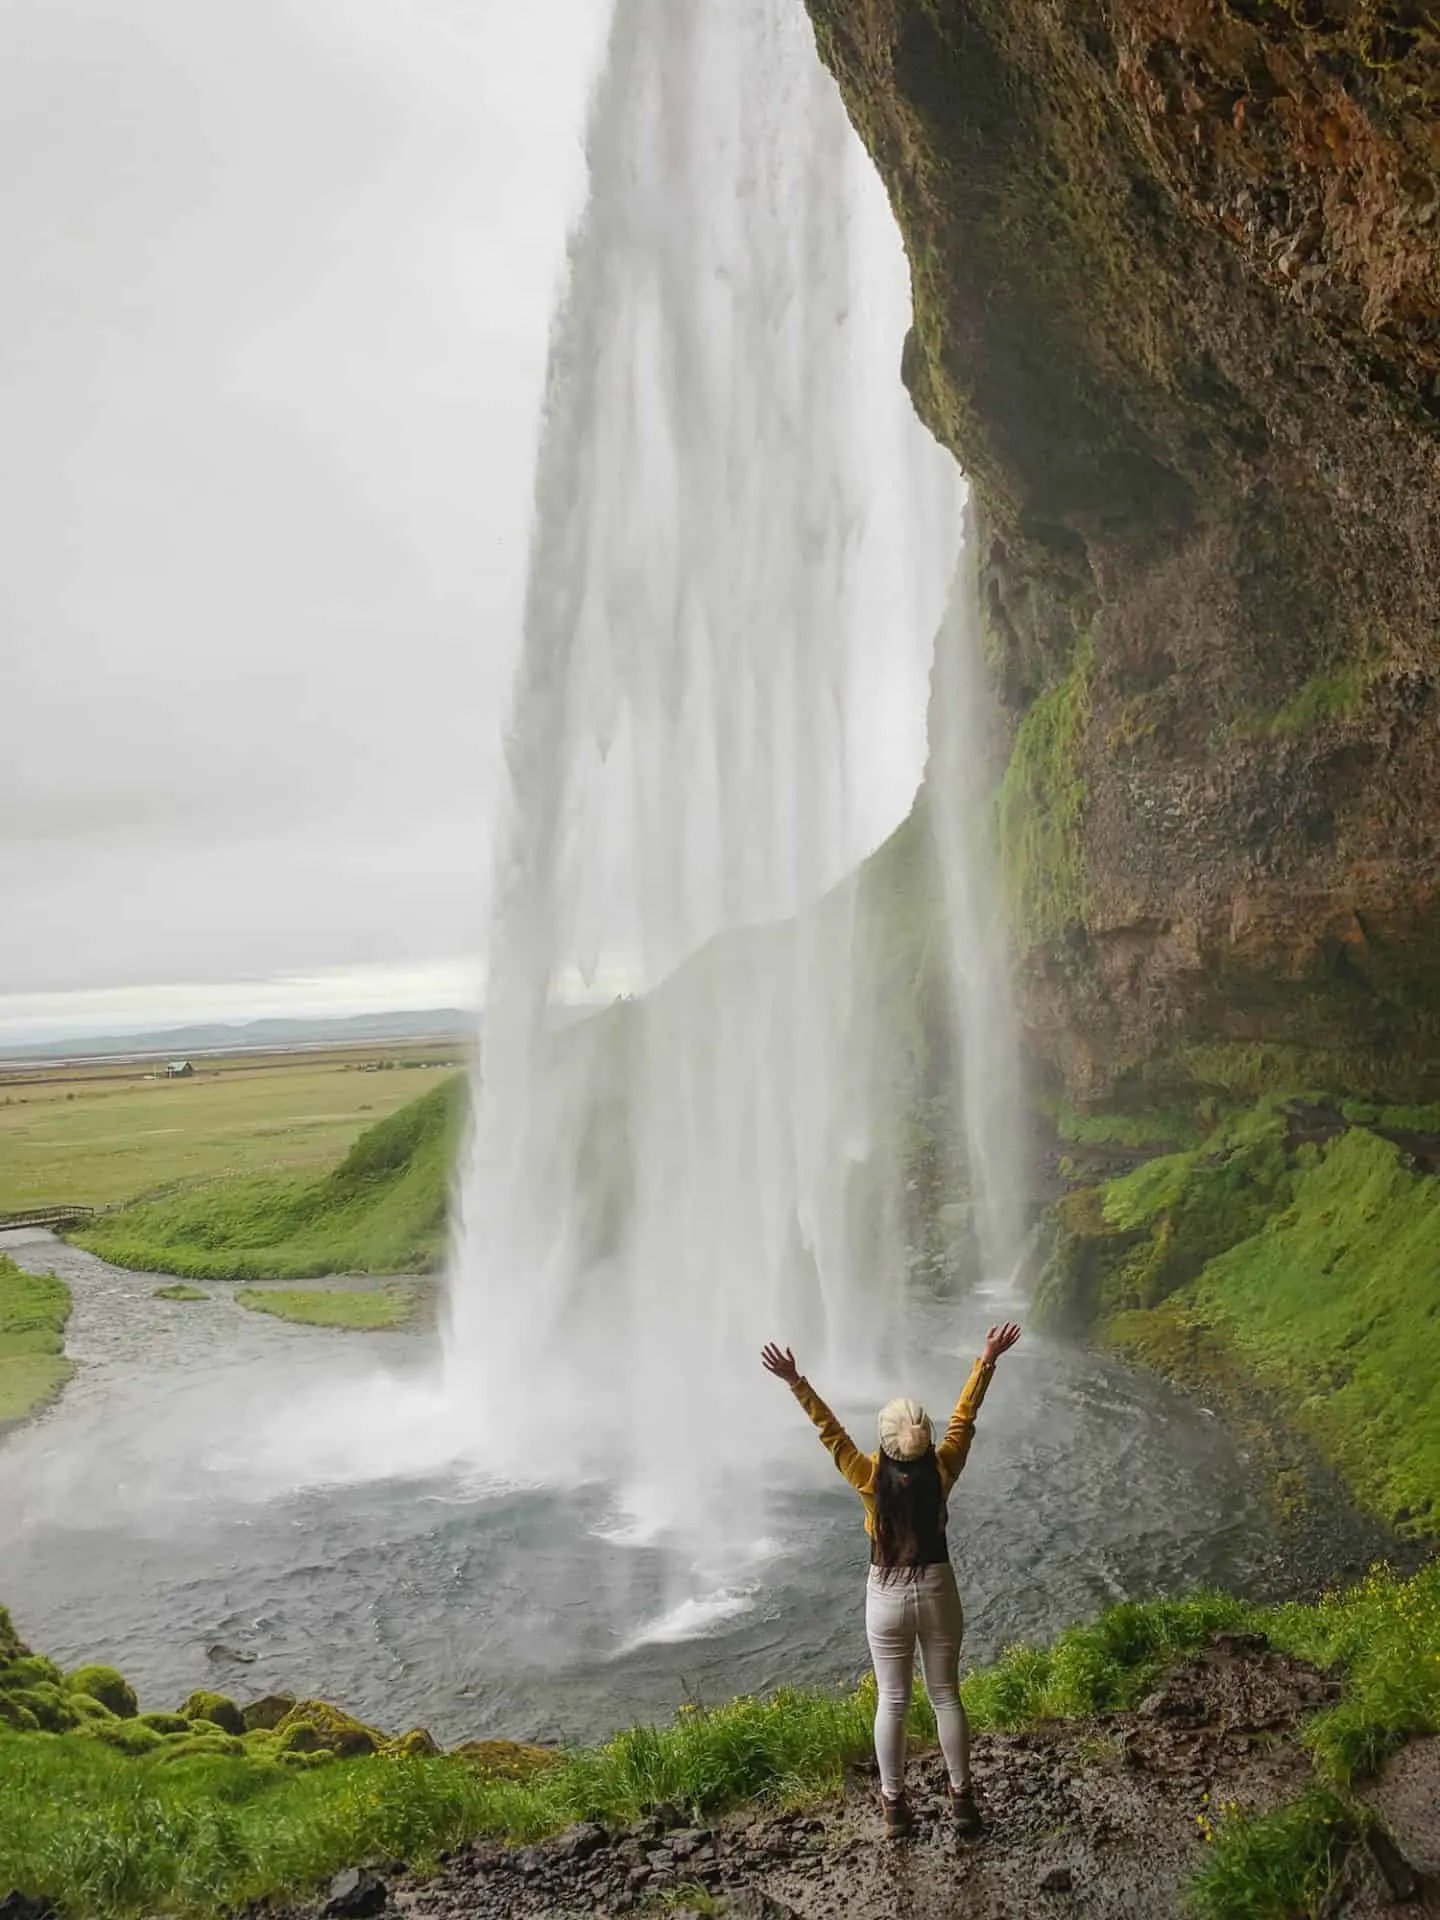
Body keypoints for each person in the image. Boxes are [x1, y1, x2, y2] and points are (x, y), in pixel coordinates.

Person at [761, 1321, 1022, 1838]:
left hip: (886, 1592)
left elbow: (830, 1431)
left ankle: (895, 1804)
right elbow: (965, 1419)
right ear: (925, 1440)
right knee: (946, 1694)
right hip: (937, 1586)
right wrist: (986, 1359)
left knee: (893, 1700)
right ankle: (963, 1798)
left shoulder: (866, 1476)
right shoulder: (944, 1468)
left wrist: (796, 1381)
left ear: (884, 1445)